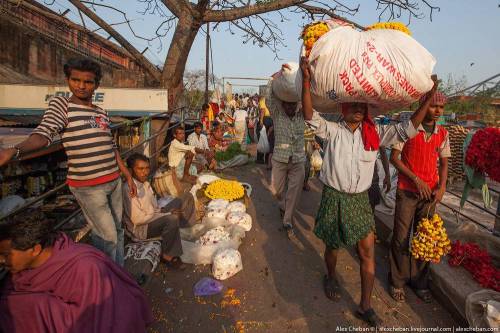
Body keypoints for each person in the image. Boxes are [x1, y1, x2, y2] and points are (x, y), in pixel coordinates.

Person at [300, 56, 438, 327]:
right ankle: (330, 275)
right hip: (334, 198)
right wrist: (306, 79)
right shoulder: (332, 130)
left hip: (361, 201)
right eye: (353, 106)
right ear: (343, 107)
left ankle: (365, 305)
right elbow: (308, 115)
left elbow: (408, 129)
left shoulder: (376, 134)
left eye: (362, 107)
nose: (358, 110)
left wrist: (428, 97)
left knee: (367, 253)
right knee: (333, 247)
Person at [0, 58, 136, 265]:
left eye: (88, 82)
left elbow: (111, 147)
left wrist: (127, 175)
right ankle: (111, 283)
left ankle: (121, 273)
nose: (81, 86)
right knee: (106, 237)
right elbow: (44, 134)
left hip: (114, 181)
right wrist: (15, 150)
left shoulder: (101, 113)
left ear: (97, 84)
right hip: (89, 187)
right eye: (75, 80)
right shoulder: (61, 105)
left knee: (118, 229)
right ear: (68, 80)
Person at [0, 210, 152, 333]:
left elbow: (104, 319)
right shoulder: (19, 272)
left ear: (35, 250)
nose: (1, 260)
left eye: (6, 255)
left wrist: (42, 308)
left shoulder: (86, 268)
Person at [388, 92, 450, 304]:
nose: (437, 111)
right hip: (407, 191)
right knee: (401, 237)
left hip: (430, 195)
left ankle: (419, 282)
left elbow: (443, 163)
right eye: (433, 106)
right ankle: (397, 281)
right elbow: (394, 158)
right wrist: (416, 179)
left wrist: (441, 187)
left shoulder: (442, 133)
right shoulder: (408, 129)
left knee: (426, 238)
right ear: (424, 106)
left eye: (441, 107)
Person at [123, 153, 194, 268]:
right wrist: (166, 214)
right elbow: (137, 219)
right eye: (140, 169)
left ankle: (185, 231)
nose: (145, 172)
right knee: (172, 218)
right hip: (142, 229)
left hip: (154, 216)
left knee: (186, 197)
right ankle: (168, 255)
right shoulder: (128, 189)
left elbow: (155, 208)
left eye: (147, 168)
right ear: (131, 170)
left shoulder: (146, 184)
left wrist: (163, 211)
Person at [267, 77, 306, 239]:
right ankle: (282, 205)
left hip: (298, 160)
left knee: (294, 191)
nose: (290, 107)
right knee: (275, 191)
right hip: (280, 159)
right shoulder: (277, 114)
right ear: (282, 104)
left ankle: (287, 220)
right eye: (287, 104)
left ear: (297, 104)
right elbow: (269, 99)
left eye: (293, 104)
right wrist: (273, 79)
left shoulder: (302, 114)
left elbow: (308, 100)